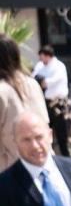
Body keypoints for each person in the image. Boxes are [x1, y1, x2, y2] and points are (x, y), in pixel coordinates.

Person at [0, 34, 48, 170]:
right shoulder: (32, 84)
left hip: (12, 172)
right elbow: (45, 124)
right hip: (42, 165)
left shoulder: (2, 92)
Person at [32, 45, 71, 156]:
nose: (41, 60)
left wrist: (44, 81)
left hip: (58, 101)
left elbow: (53, 80)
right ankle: (49, 153)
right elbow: (34, 76)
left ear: (47, 56)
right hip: (45, 101)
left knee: (60, 130)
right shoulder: (40, 65)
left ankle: (65, 154)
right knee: (46, 127)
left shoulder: (59, 66)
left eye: (42, 57)